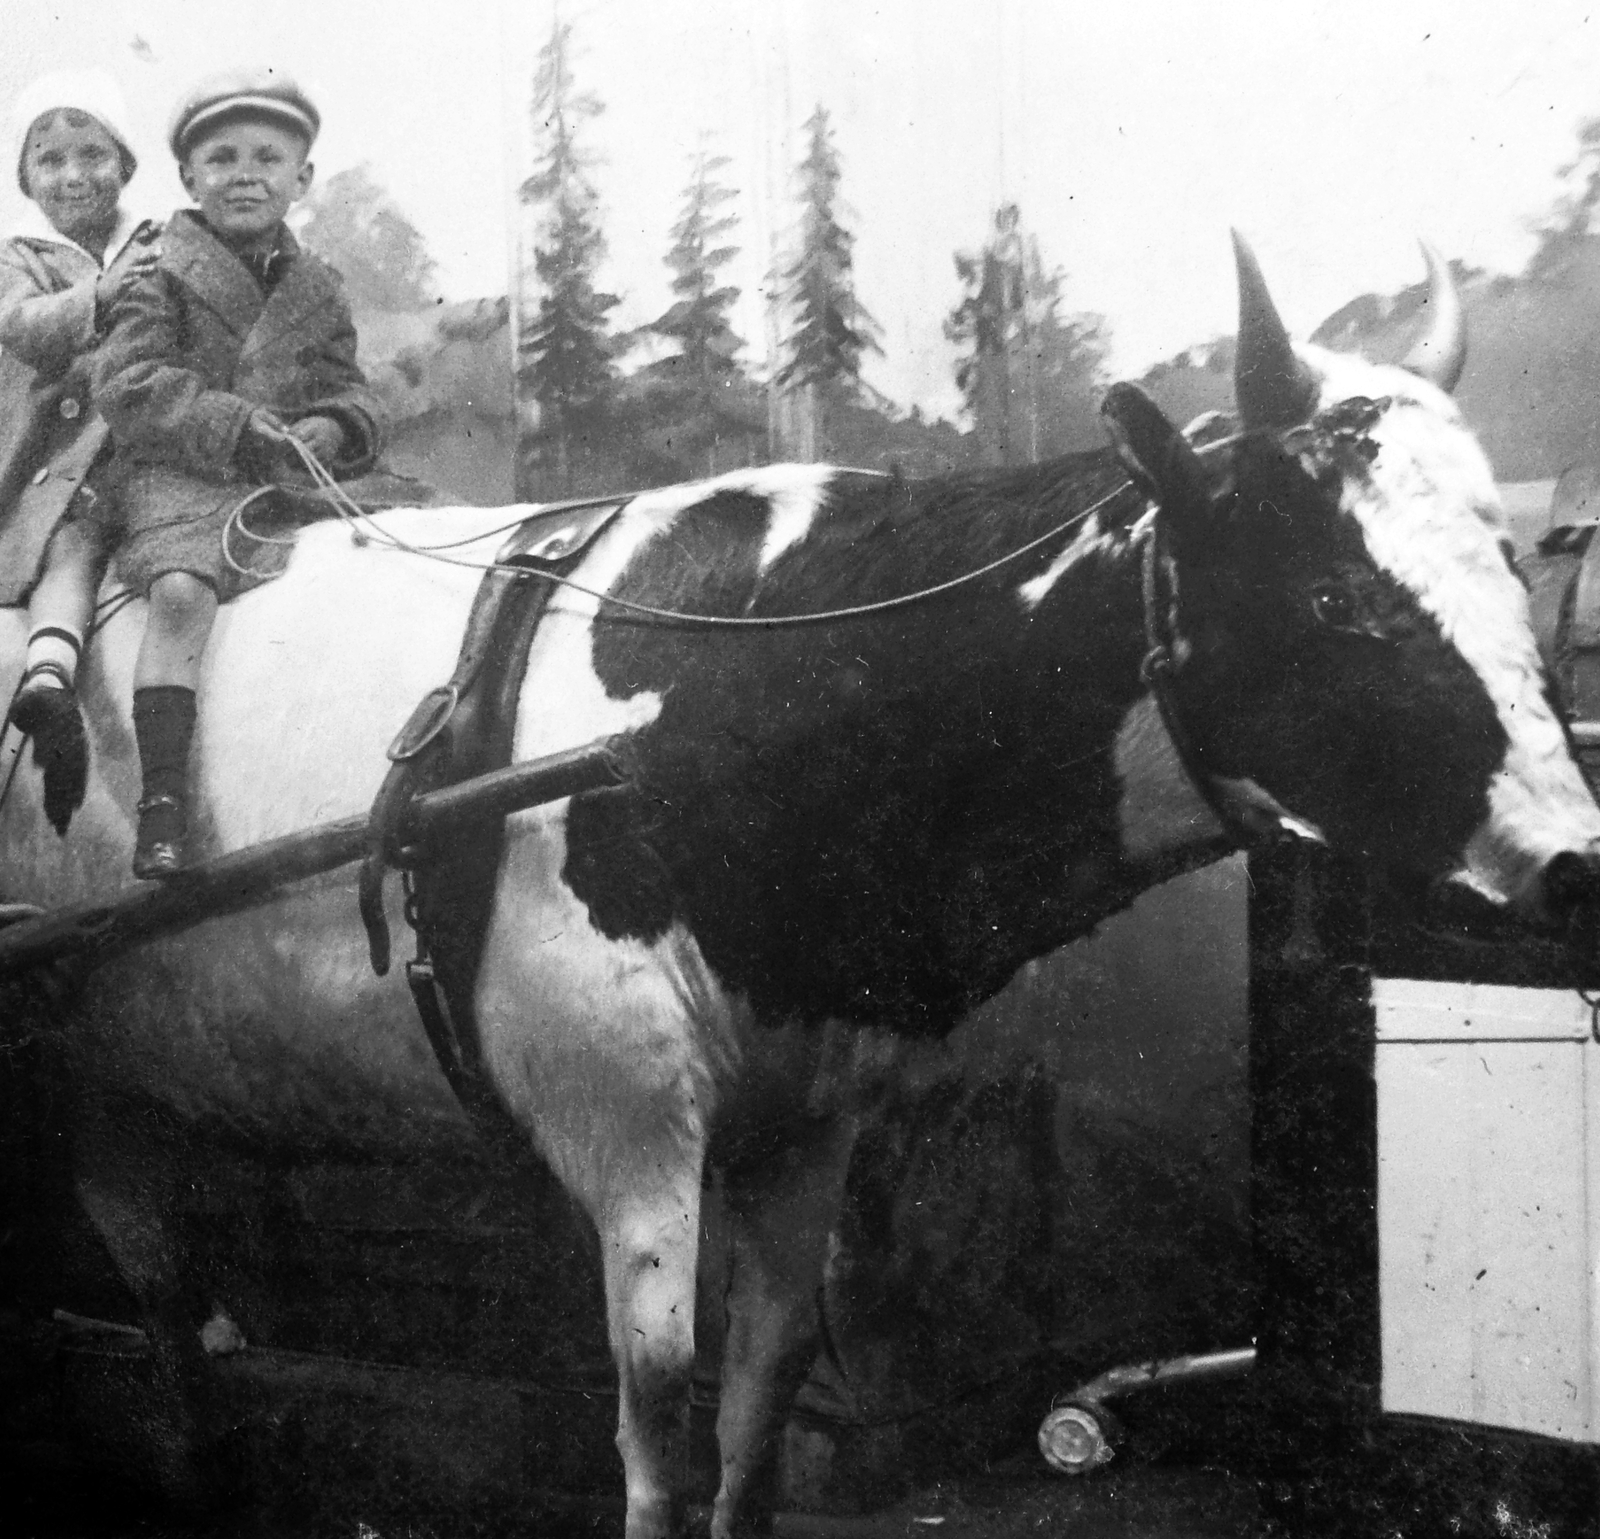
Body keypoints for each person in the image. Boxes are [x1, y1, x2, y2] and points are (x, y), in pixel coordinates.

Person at [94, 69, 382, 879]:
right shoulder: (156, 271)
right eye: (221, 158)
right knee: (182, 593)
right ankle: (162, 803)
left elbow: (350, 382)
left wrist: (338, 421)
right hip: (182, 473)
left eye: (268, 156)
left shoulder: (318, 286)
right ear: (189, 179)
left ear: (303, 178)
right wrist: (232, 422)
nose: (245, 173)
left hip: (289, 473)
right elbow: (128, 381)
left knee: (402, 548)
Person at [0, 70, 158, 836]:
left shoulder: (162, 240)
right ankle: (49, 677)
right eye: (50, 159)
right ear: (27, 179)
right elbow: (24, 326)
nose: (74, 175)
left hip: (162, 449)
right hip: (68, 464)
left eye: (93, 153)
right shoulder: (20, 259)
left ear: (124, 164)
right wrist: (103, 294)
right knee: (72, 543)